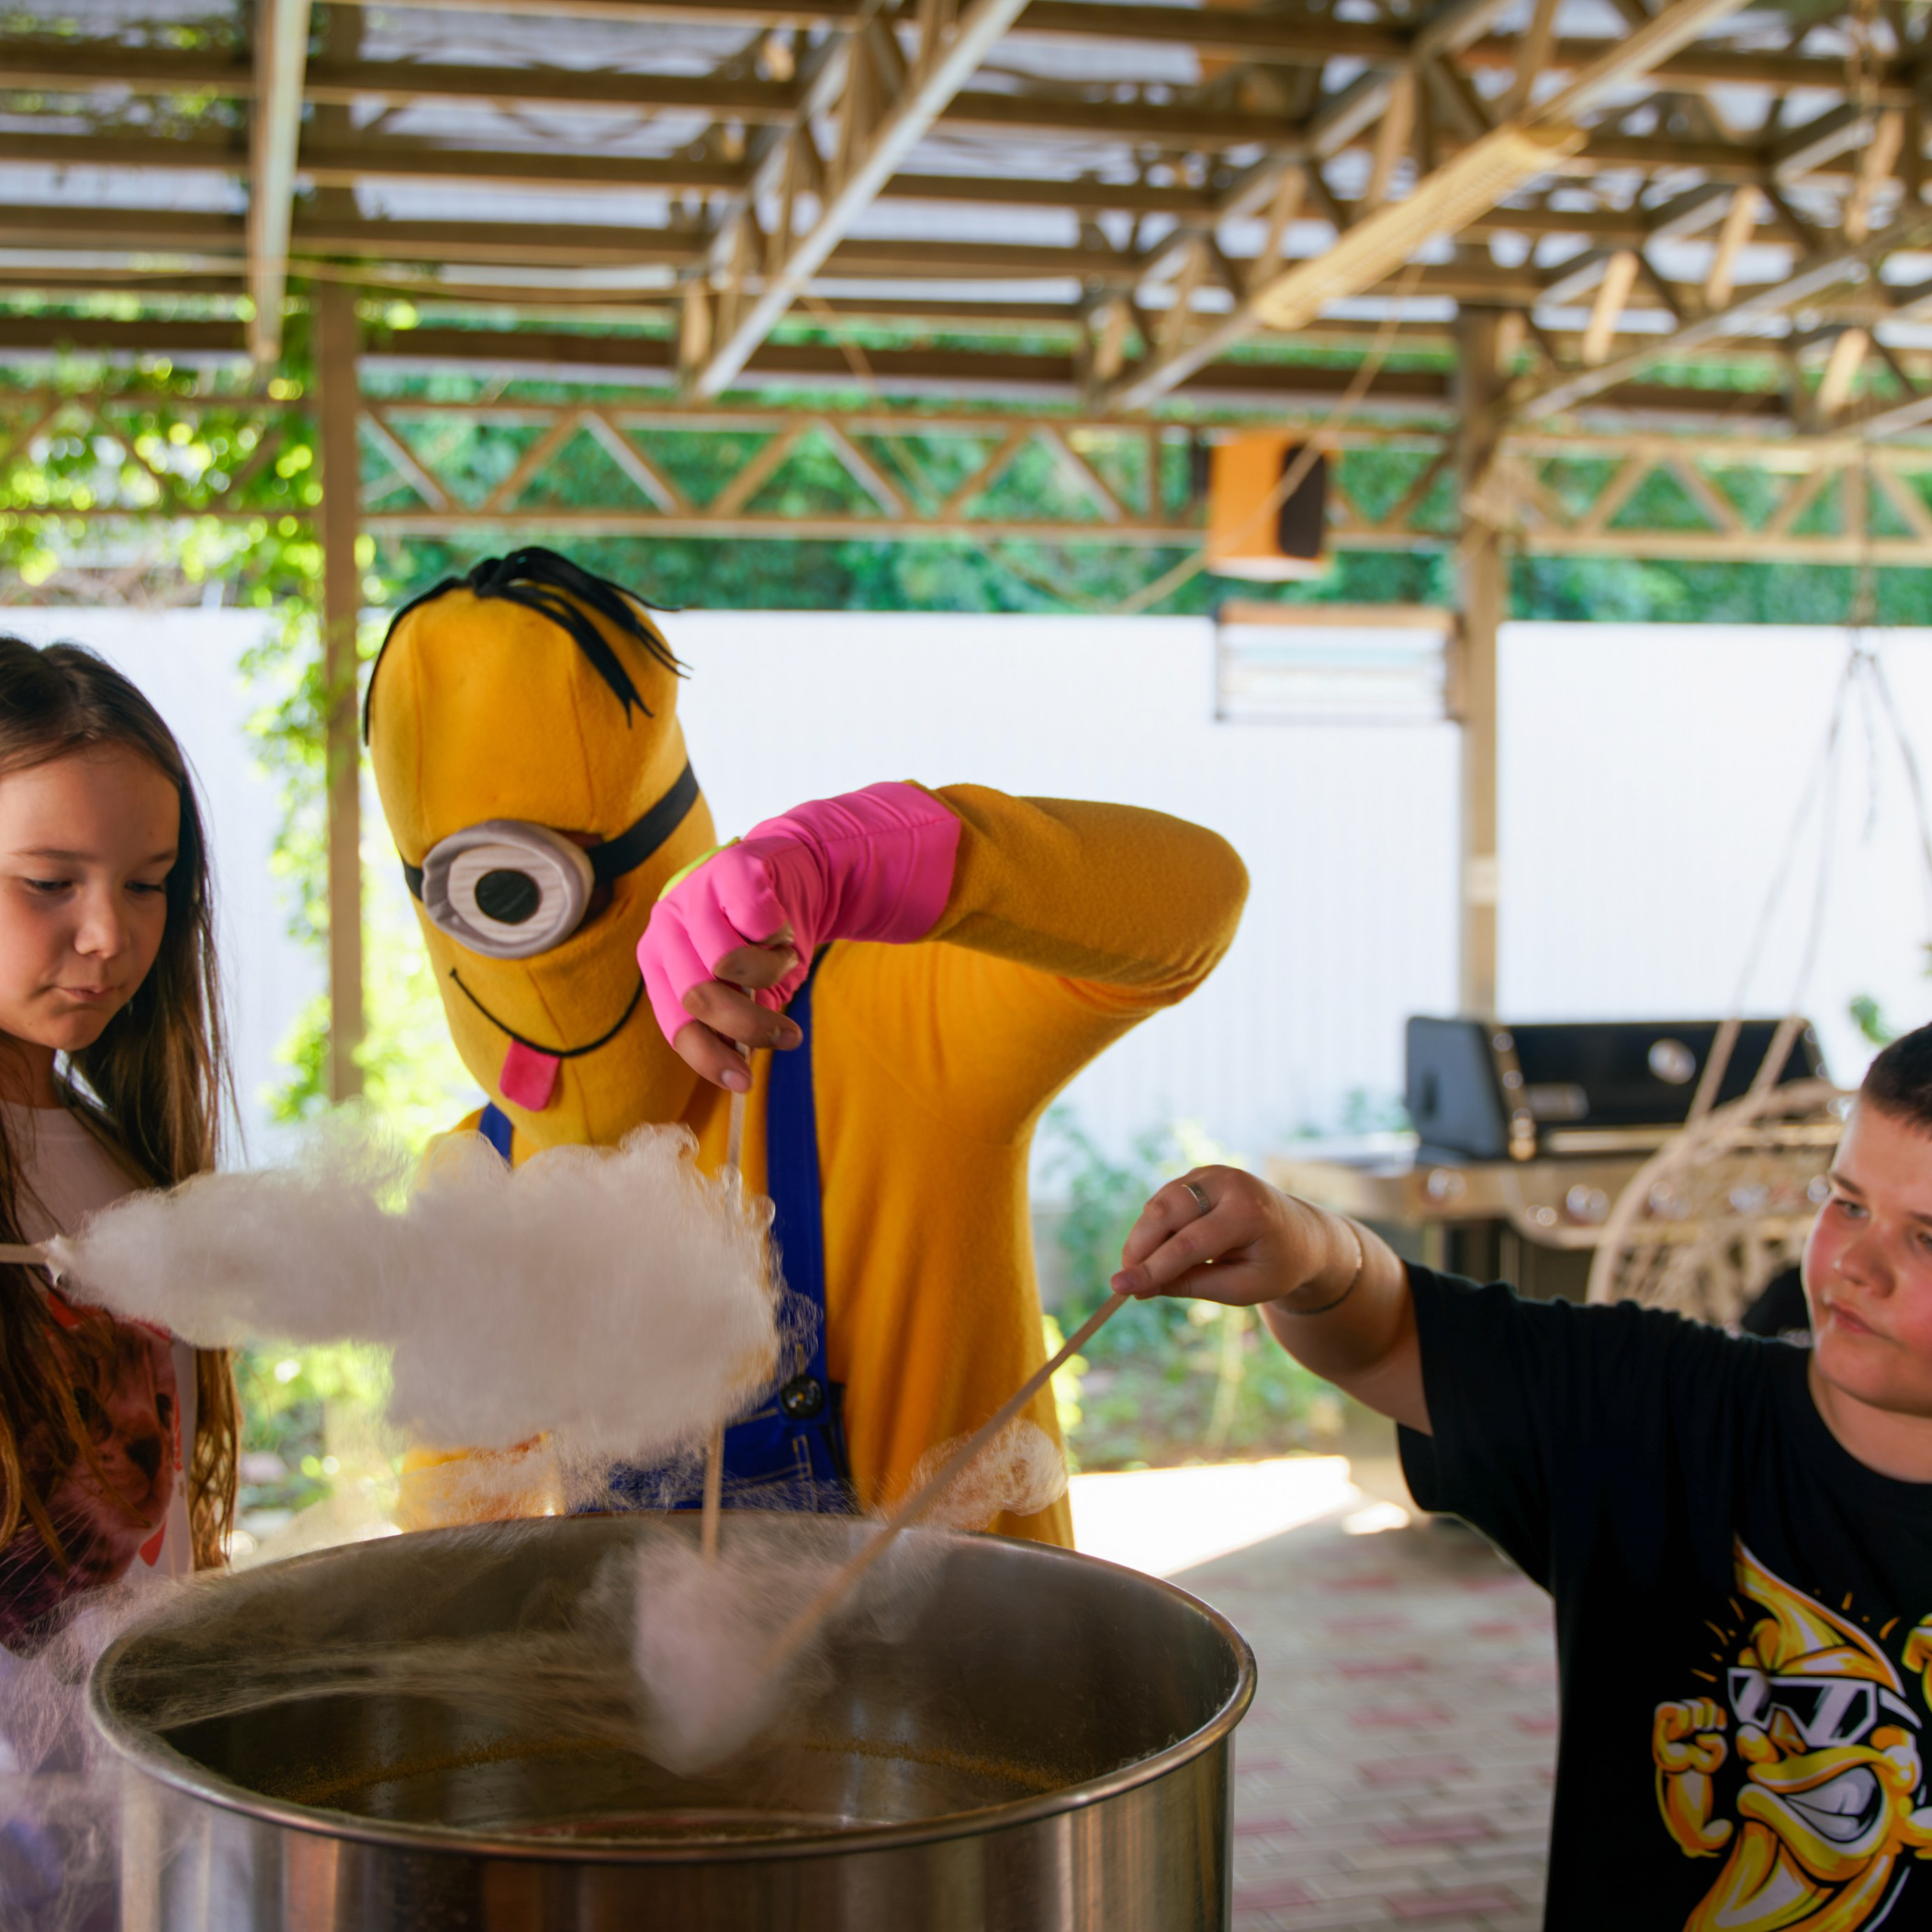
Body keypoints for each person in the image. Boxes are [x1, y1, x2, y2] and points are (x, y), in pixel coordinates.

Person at [365, 549, 1247, 1541]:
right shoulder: (483, 1182)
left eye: (537, 886)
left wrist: (896, 853)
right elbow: (459, 1559)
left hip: (978, 1687)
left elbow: (1199, 903)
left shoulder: (884, 1028)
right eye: (479, 897)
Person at [1112, 1026, 1932, 1932]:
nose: (1854, 1265)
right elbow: (1385, 1329)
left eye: (1927, 1238)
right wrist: (1302, 1248)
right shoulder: (1663, 1409)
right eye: (1847, 1204)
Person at [0, 641, 235, 1648]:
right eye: (49, 881)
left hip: (129, 1797)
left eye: (148, 885)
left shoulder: (137, 1178)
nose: (109, 933)